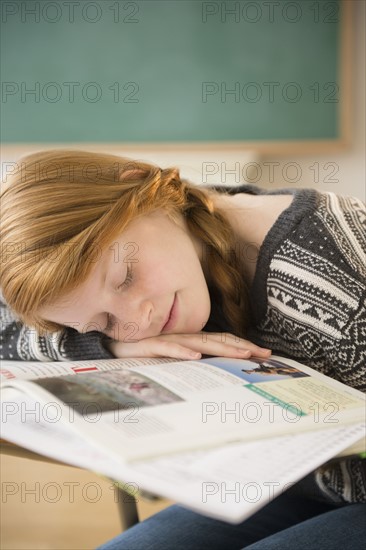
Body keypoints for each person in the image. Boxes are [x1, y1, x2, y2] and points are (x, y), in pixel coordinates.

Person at [1, 150, 365, 549]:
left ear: (143, 190)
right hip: (295, 483)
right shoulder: (185, 225)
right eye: (102, 320)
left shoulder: (324, 264)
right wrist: (108, 344)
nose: (139, 322)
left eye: (125, 279)